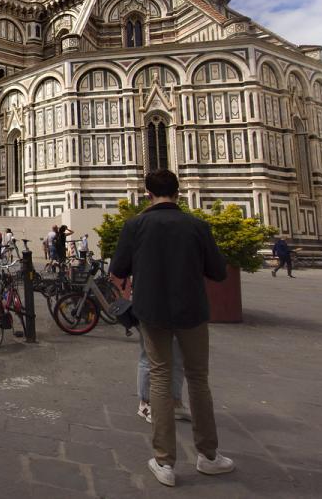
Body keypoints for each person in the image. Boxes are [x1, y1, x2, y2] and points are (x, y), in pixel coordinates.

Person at [109, 170, 234, 487]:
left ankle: (164, 462)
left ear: (147, 193)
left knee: (161, 378)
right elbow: (219, 272)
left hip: (152, 312)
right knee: (198, 379)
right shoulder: (197, 225)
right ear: (178, 193)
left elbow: (118, 269)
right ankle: (208, 456)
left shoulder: (135, 225)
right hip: (191, 311)